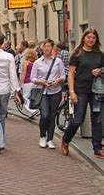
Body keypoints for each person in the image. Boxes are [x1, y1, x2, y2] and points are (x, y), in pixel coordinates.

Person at [61, 28, 104, 158]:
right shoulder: (77, 54)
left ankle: (97, 148)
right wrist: (72, 92)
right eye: (88, 37)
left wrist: (100, 71)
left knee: (97, 119)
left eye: (93, 38)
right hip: (81, 90)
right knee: (78, 119)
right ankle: (66, 140)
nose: (91, 39)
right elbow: (70, 74)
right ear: (84, 38)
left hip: (96, 90)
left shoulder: (100, 54)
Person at [30, 39, 66, 148]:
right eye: (45, 46)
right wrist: (42, 82)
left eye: (49, 46)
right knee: (45, 115)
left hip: (55, 91)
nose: (47, 48)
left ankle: (50, 139)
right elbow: (32, 78)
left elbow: (63, 76)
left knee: (52, 115)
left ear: (52, 48)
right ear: (42, 48)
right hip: (43, 92)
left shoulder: (58, 61)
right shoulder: (37, 62)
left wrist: (57, 81)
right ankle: (42, 136)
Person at [20, 48, 39, 116]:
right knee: (31, 97)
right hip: (34, 82)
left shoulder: (26, 62)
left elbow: (24, 73)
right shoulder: (36, 63)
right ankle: (34, 110)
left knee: (25, 97)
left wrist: (21, 82)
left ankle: (32, 110)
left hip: (27, 81)